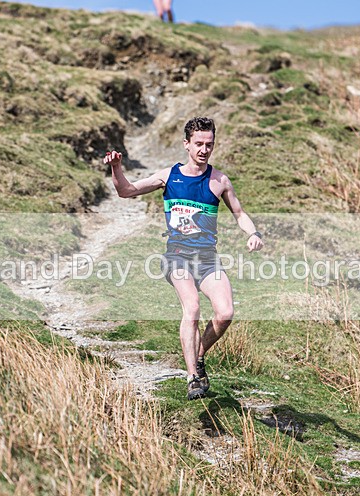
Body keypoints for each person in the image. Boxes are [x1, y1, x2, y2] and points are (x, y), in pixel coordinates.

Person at [103, 117, 263, 400]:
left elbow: (239, 214)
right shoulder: (169, 176)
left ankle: (198, 355)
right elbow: (126, 191)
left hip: (207, 259)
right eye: (199, 144)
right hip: (177, 257)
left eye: (209, 144)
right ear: (186, 144)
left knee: (225, 313)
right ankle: (192, 378)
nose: (204, 149)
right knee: (192, 308)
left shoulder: (219, 181)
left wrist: (253, 233)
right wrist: (116, 167)